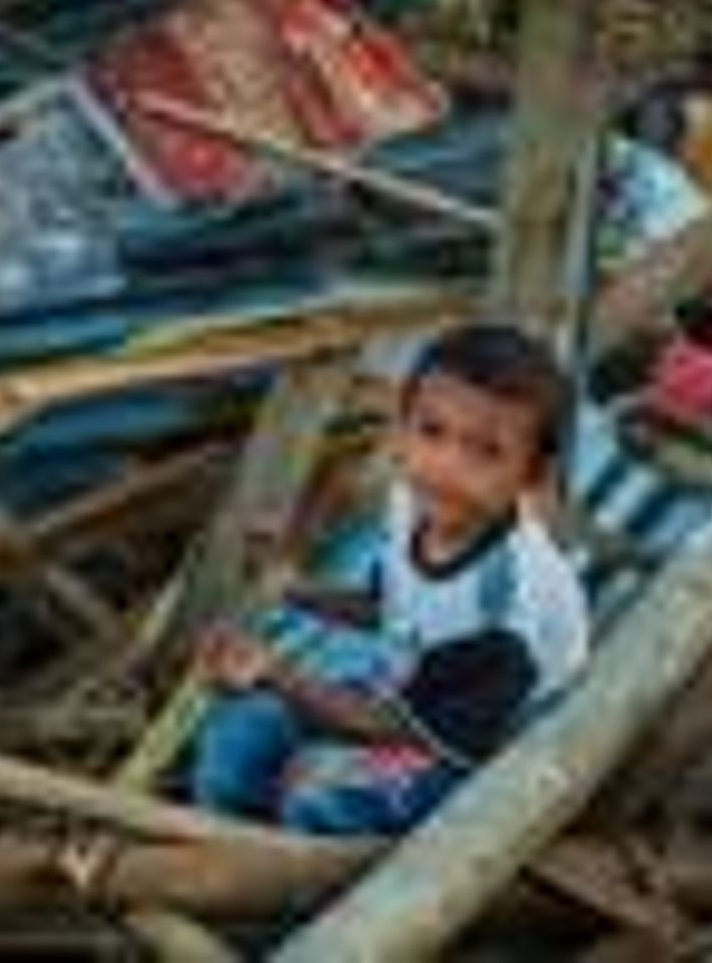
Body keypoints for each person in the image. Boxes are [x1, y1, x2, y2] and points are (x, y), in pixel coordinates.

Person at [190, 323, 590, 834]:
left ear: (533, 475)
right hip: (410, 695)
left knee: (320, 795)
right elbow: (393, 605)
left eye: (485, 452)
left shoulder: (509, 609)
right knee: (236, 737)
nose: (445, 465)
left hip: (480, 752)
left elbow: (398, 728)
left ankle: (294, 872)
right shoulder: (411, 505)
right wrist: (291, 587)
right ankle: (230, 842)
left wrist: (275, 674)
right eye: (431, 431)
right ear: (401, 428)